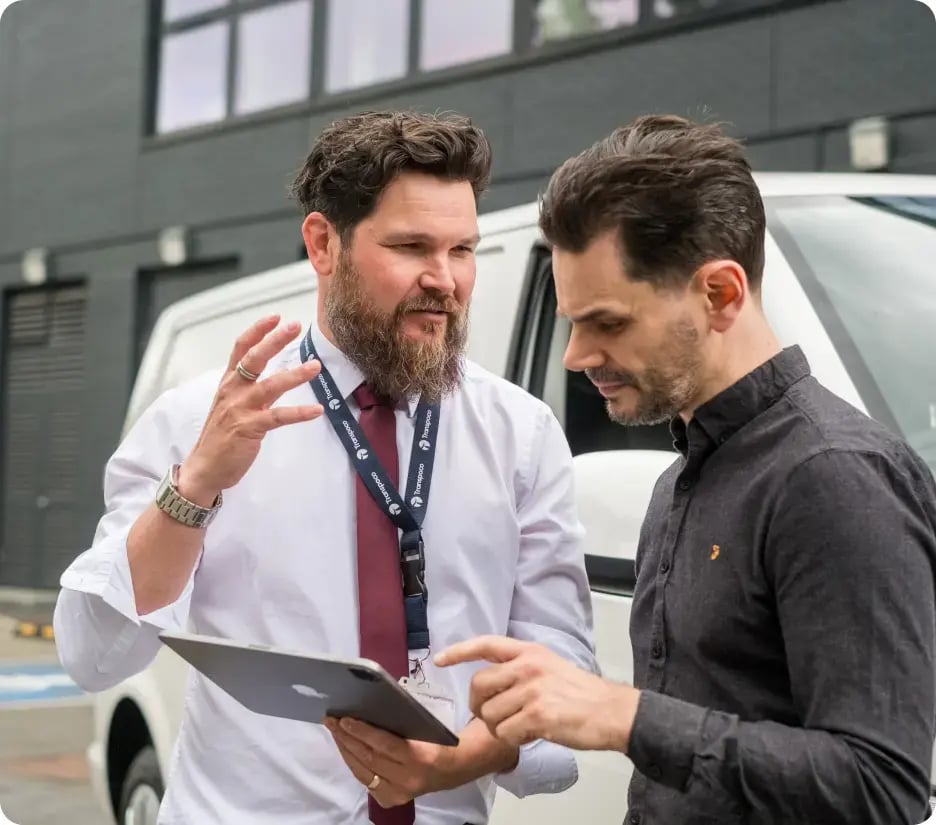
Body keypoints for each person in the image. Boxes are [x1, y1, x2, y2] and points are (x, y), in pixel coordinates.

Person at [53, 110, 597, 825]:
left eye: (462, 248)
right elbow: (94, 653)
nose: (445, 280)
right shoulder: (198, 422)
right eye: (410, 246)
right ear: (322, 244)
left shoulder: (520, 434)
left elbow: (562, 668)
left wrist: (477, 753)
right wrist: (197, 486)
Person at [436, 114, 936, 825]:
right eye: (573, 321)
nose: (576, 355)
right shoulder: (679, 480)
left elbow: (880, 786)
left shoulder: (832, 477)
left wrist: (627, 715)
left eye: (607, 322)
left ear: (721, 294)